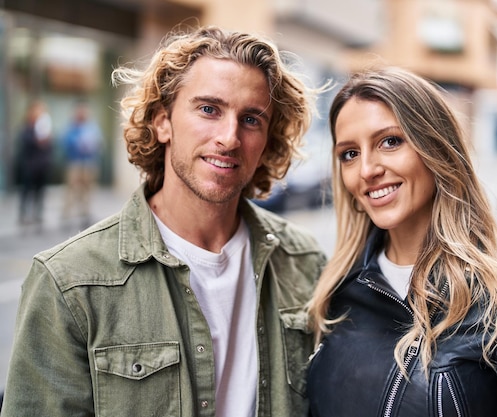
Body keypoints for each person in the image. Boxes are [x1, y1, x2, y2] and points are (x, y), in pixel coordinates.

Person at [1, 25, 326, 417]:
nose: (229, 137)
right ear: (162, 121)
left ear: (267, 139)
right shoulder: (68, 282)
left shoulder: (305, 263)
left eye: (251, 119)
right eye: (209, 109)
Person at [306, 67, 497, 417]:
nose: (367, 169)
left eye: (390, 141)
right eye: (350, 154)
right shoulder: (339, 288)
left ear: (436, 148)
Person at [60, 101, 103, 228]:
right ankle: (66, 216)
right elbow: (65, 143)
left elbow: (99, 142)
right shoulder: (72, 127)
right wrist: (78, 143)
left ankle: (85, 214)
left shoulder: (92, 127)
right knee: (71, 190)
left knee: (88, 190)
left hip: (89, 162)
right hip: (75, 162)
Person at [16, 100, 53, 228]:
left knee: (40, 191)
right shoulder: (27, 128)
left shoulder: (44, 127)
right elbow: (26, 143)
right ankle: (23, 215)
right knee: (26, 191)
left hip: (42, 166)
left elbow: (49, 146)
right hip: (29, 165)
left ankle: (38, 214)